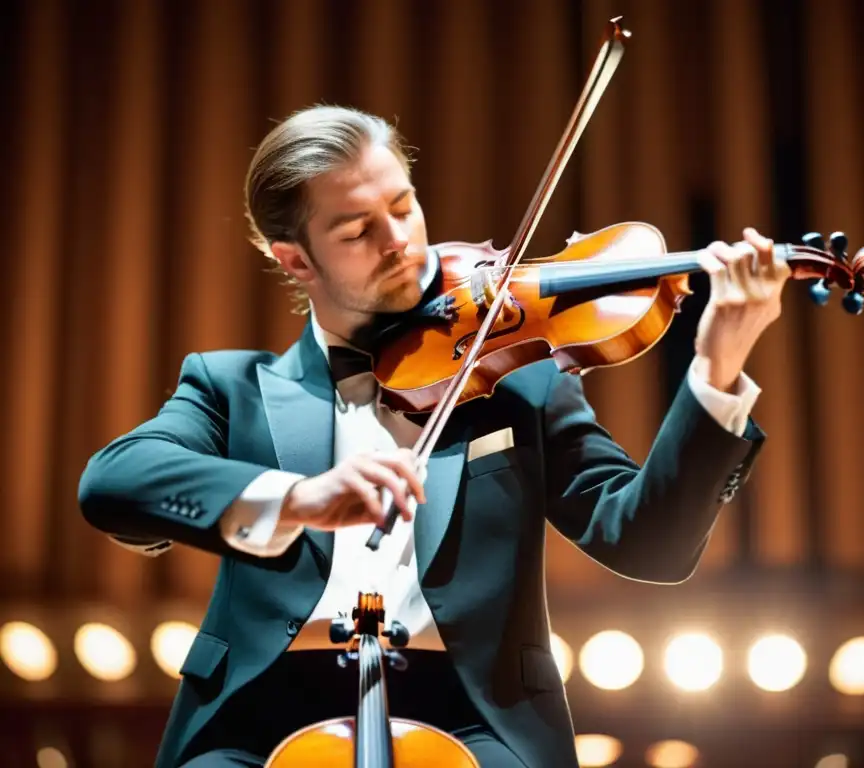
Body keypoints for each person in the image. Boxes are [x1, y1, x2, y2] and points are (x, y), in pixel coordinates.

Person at [78, 104, 787, 768]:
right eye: (358, 232)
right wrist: (298, 498)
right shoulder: (233, 387)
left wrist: (714, 368)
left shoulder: (516, 379)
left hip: (476, 711)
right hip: (257, 713)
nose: (401, 243)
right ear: (296, 260)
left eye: (403, 206)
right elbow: (114, 481)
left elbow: (648, 543)